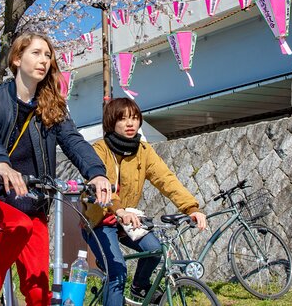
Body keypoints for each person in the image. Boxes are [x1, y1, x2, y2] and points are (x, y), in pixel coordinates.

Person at [0, 32, 111, 306]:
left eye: (48, 55)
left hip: (33, 205)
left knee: (38, 292)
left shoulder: (52, 106)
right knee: (17, 226)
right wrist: (3, 166)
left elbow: (73, 140)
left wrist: (96, 172)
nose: (43, 60)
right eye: (36, 53)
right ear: (17, 58)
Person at [82, 98, 207, 306]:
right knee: (118, 272)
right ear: (111, 122)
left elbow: (166, 179)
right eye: (123, 119)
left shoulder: (143, 150)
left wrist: (191, 208)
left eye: (135, 118)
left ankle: (139, 286)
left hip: (126, 220)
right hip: (99, 221)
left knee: (155, 250)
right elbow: (101, 186)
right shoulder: (99, 149)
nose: (130, 124)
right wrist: (119, 210)